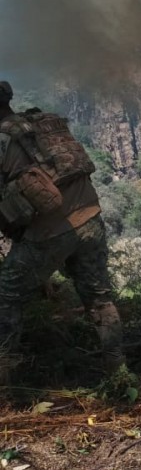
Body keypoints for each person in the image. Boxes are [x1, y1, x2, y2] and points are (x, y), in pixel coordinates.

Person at [0, 80, 124, 382]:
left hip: (51, 233)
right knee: (100, 300)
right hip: (90, 217)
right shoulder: (44, 123)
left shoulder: (2, 140)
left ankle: (4, 379)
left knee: (5, 296)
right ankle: (119, 372)